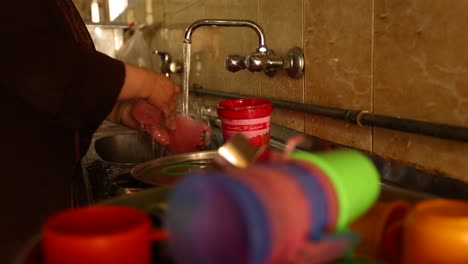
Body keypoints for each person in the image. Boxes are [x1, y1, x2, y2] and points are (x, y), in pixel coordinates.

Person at [0, 0, 180, 262]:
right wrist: (148, 83)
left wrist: (116, 109)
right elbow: (53, 67)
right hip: (15, 199)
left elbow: (40, 87)